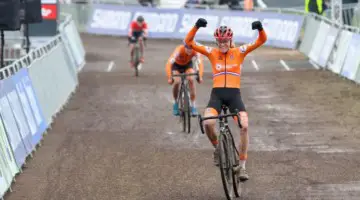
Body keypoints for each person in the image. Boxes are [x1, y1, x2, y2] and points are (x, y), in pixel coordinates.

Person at [184, 18, 267, 181]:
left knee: (244, 126)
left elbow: (262, 40)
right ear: (217, 41)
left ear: (230, 40)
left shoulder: (240, 52)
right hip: (217, 96)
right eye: (219, 41)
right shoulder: (211, 52)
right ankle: (217, 149)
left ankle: (242, 167)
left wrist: (260, 28)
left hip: (234, 97)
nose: (222, 43)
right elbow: (188, 41)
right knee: (208, 123)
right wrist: (196, 27)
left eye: (225, 41)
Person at [165, 43, 204, 116]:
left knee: (191, 80)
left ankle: (193, 105)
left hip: (187, 65)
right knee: (177, 81)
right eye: (188, 48)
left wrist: (200, 76)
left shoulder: (196, 50)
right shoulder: (179, 49)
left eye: (191, 48)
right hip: (176, 66)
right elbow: (169, 64)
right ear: (184, 47)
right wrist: (170, 77)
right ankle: (175, 103)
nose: (189, 50)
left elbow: (200, 63)